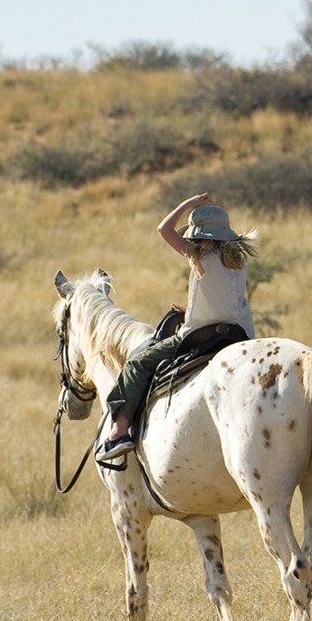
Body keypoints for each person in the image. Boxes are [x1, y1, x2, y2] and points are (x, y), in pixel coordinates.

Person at [95, 193, 258, 466]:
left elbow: (164, 229)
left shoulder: (200, 257)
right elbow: (224, 299)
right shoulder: (238, 261)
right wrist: (192, 309)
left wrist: (188, 204)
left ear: (201, 237)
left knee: (139, 363)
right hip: (238, 333)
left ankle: (119, 432)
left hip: (203, 335)